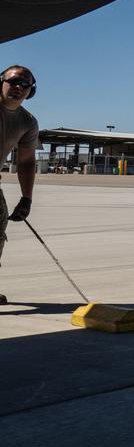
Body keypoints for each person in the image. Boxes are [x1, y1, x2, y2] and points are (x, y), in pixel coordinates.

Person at [0, 66, 39, 292]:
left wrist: (27, 198)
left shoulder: (28, 123)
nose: (18, 87)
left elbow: (25, 162)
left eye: (25, 85)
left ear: (30, 92)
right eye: (13, 81)